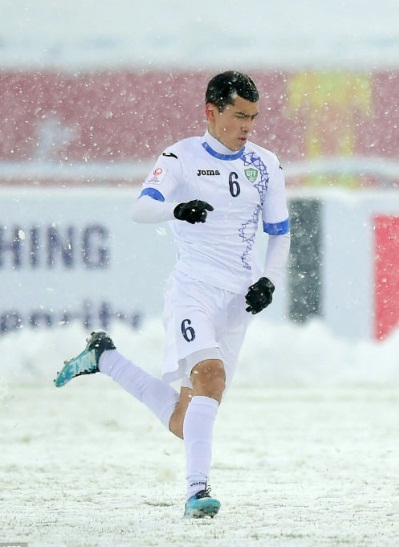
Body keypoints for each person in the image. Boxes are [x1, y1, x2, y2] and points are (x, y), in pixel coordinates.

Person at [54, 71, 291, 519]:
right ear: (211, 112)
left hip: (238, 300)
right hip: (193, 291)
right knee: (211, 375)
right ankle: (197, 493)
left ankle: (105, 357)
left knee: (188, 420)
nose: (248, 127)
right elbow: (141, 207)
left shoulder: (265, 164)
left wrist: (269, 280)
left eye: (254, 117)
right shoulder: (180, 157)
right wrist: (177, 209)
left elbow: (280, 234)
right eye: (239, 116)